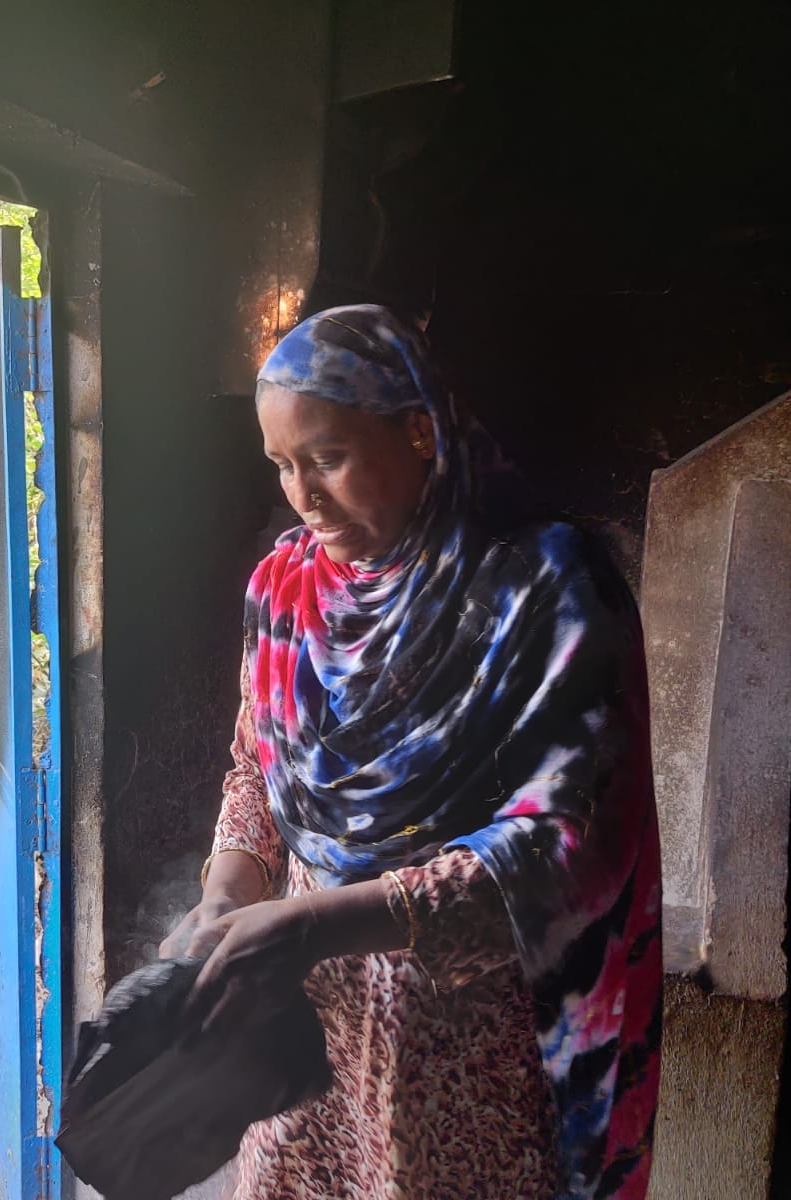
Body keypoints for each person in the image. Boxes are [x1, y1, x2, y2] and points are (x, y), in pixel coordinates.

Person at [159, 306, 662, 1199]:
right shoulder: (285, 590)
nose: (302, 496)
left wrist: (317, 921)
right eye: (281, 465)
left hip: (464, 1035)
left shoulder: (539, 588)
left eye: (327, 457)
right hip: (308, 1019)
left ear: (421, 432)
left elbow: (568, 842)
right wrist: (229, 891)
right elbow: (255, 765)